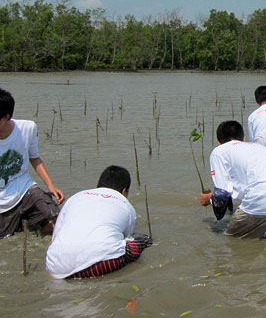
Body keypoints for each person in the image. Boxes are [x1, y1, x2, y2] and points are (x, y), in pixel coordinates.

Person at [46, 166, 152, 279]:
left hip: (55, 266)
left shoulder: (76, 197)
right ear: (125, 191)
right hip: (99, 266)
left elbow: (56, 234)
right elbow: (126, 237)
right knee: (140, 241)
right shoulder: (126, 204)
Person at [0, 87, 64, 239]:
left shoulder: (27, 129)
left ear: (5, 117)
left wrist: (51, 186)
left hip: (24, 189)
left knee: (57, 220)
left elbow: (34, 158)